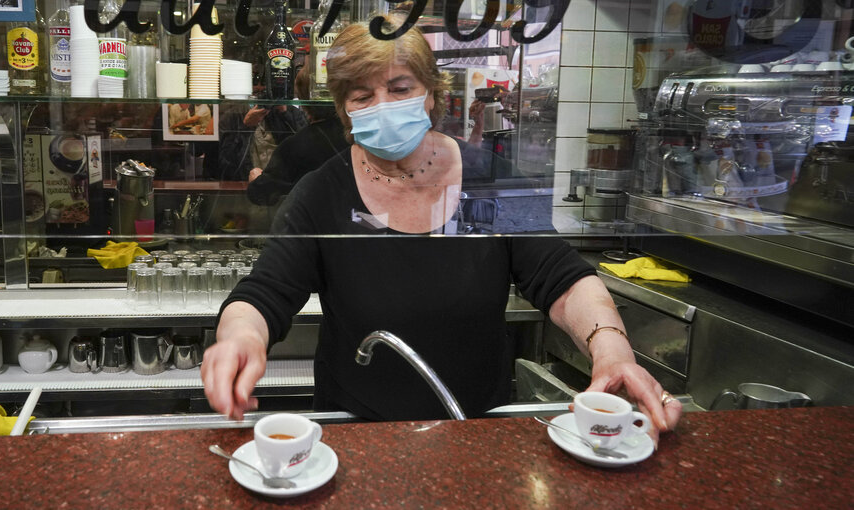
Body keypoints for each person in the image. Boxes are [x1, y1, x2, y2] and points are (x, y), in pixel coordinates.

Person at [202, 20, 682, 445]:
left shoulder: (487, 176)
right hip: (358, 434)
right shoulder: (320, 192)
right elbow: (265, 292)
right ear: (344, 110)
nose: (383, 106)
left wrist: (612, 350)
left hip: (477, 428)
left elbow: (561, 276)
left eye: (399, 87)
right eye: (363, 96)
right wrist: (239, 339)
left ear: (431, 92)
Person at [246, 67, 350, 206]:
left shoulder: (294, 146)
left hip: (308, 223)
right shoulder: (355, 137)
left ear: (301, 100)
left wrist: (256, 178)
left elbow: (263, 194)